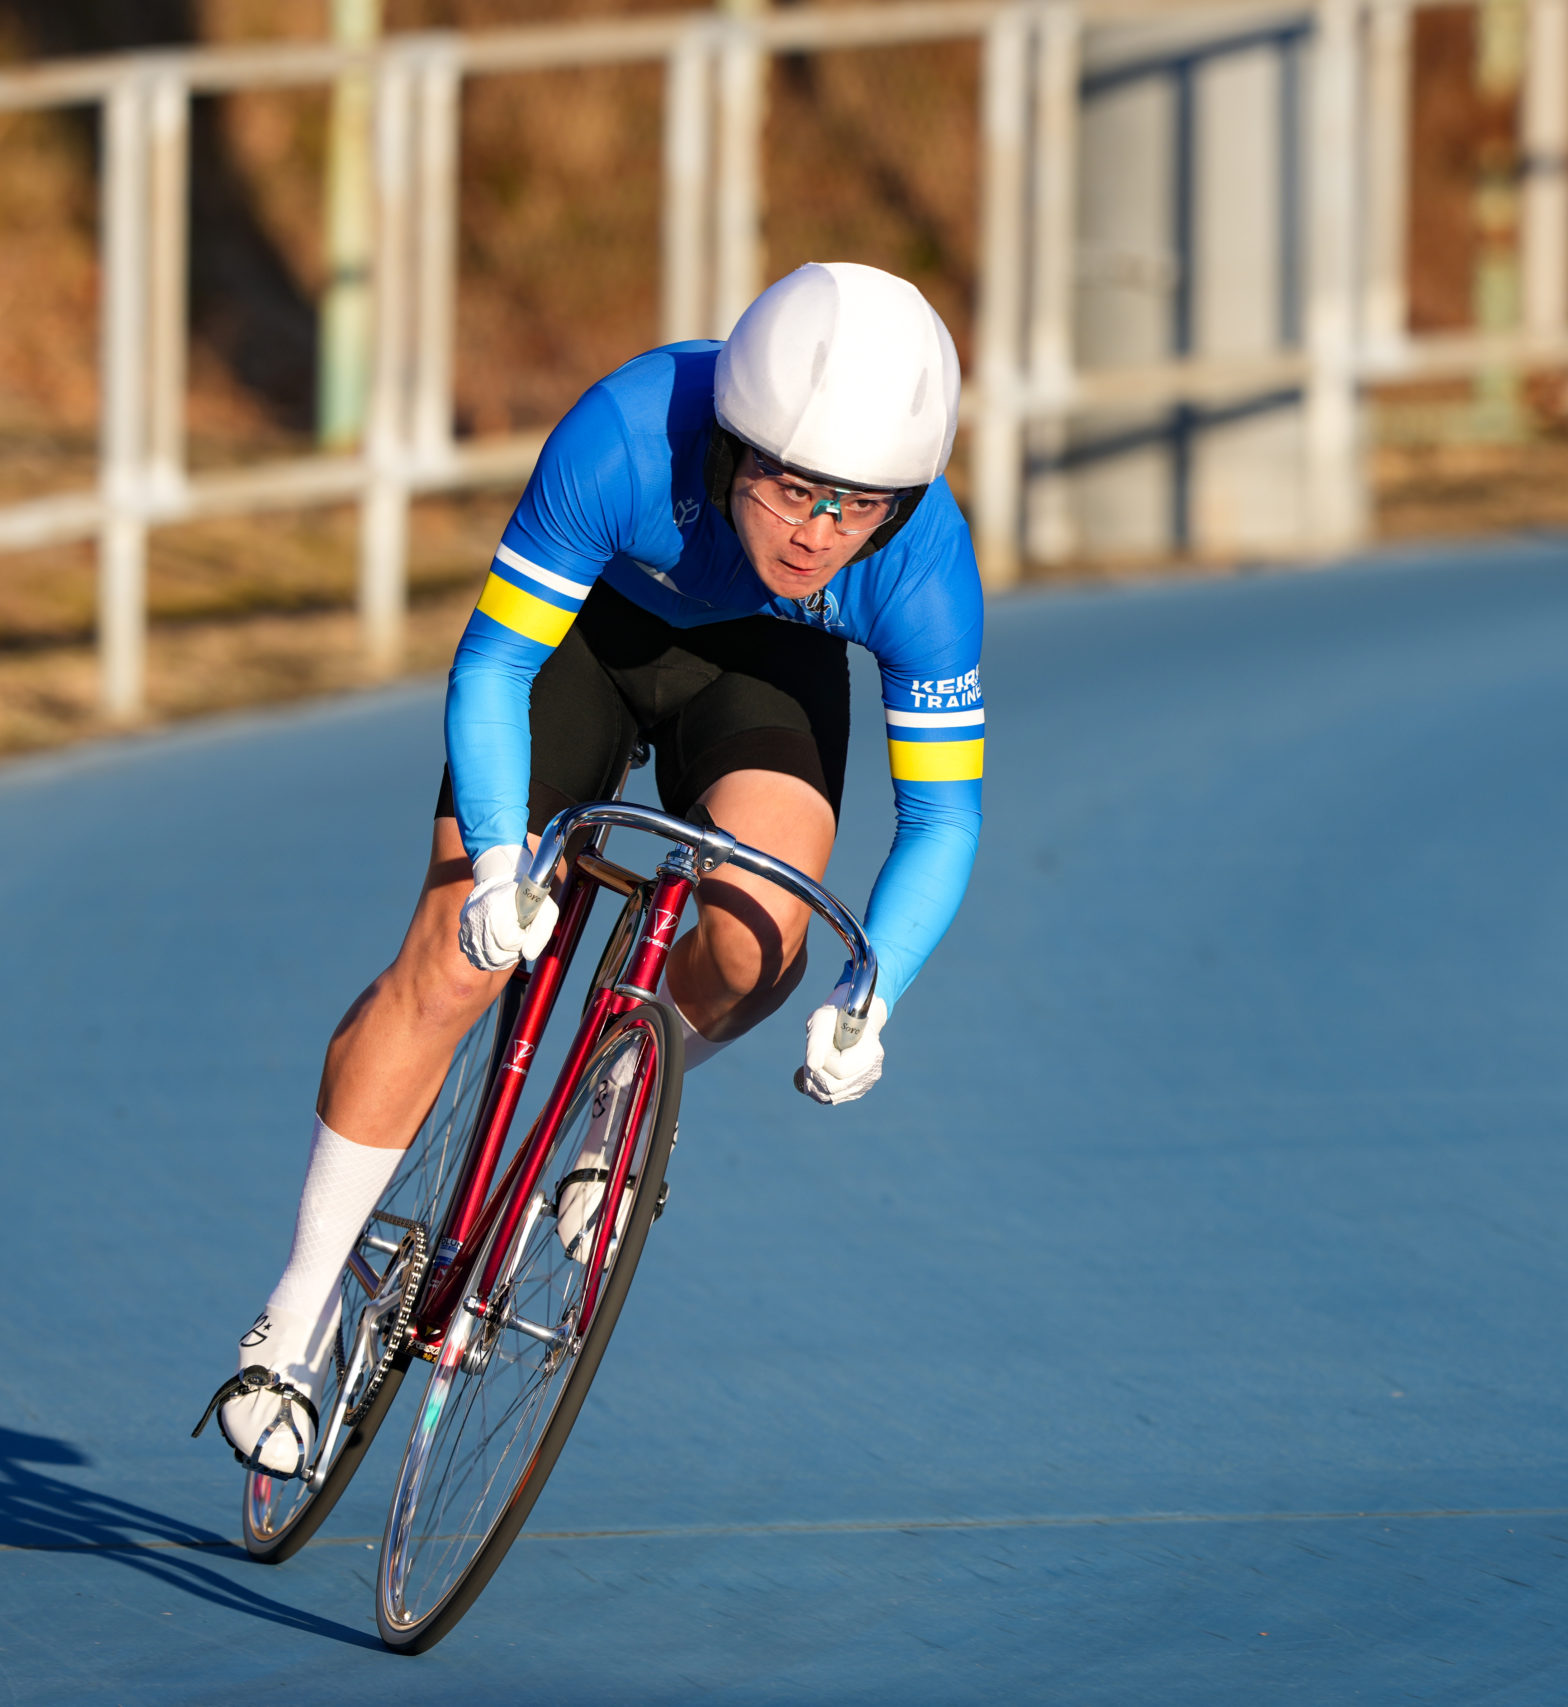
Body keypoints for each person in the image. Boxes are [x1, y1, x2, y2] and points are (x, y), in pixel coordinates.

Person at [206, 261, 986, 1474]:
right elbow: (492, 667)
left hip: (762, 675)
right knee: (454, 956)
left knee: (762, 936)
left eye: (858, 509)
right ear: (733, 446)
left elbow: (940, 819)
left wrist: (871, 994)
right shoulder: (625, 434)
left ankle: (616, 1103)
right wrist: (501, 862)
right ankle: (296, 1318)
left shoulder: (920, 559)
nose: (819, 534)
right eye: (794, 491)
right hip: (585, 640)